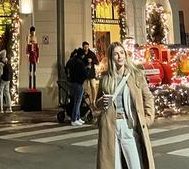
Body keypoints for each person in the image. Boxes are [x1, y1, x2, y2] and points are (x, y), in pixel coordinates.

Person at [96, 41, 155, 169]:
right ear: (111, 57)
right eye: (116, 54)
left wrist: (148, 118)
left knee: (135, 164)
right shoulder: (106, 78)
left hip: (128, 124)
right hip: (110, 126)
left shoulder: (136, 74)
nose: (120, 56)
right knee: (113, 165)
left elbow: (148, 97)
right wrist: (101, 102)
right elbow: (97, 102)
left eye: (122, 53)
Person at [66, 48, 88, 126]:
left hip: (72, 83)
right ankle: (74, 119)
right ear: (82, 55)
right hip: (78, 83)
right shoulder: (80, 63)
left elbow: (67, 69)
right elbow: (84, 73)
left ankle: (77, 118)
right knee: (77, 102)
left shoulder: (72, 61)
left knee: (76, 101)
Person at [83, 41, 99, 105]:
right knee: (85, 88)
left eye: (87, 47)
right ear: (83, 47)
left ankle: (93, 101)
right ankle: (86, 101)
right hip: (85, 73)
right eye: (85, 47)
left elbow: (97, 62)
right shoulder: (81, 54)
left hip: (91, 73)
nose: (86, 48)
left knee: (93, 87)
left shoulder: (91, 54)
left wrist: (92, 61)